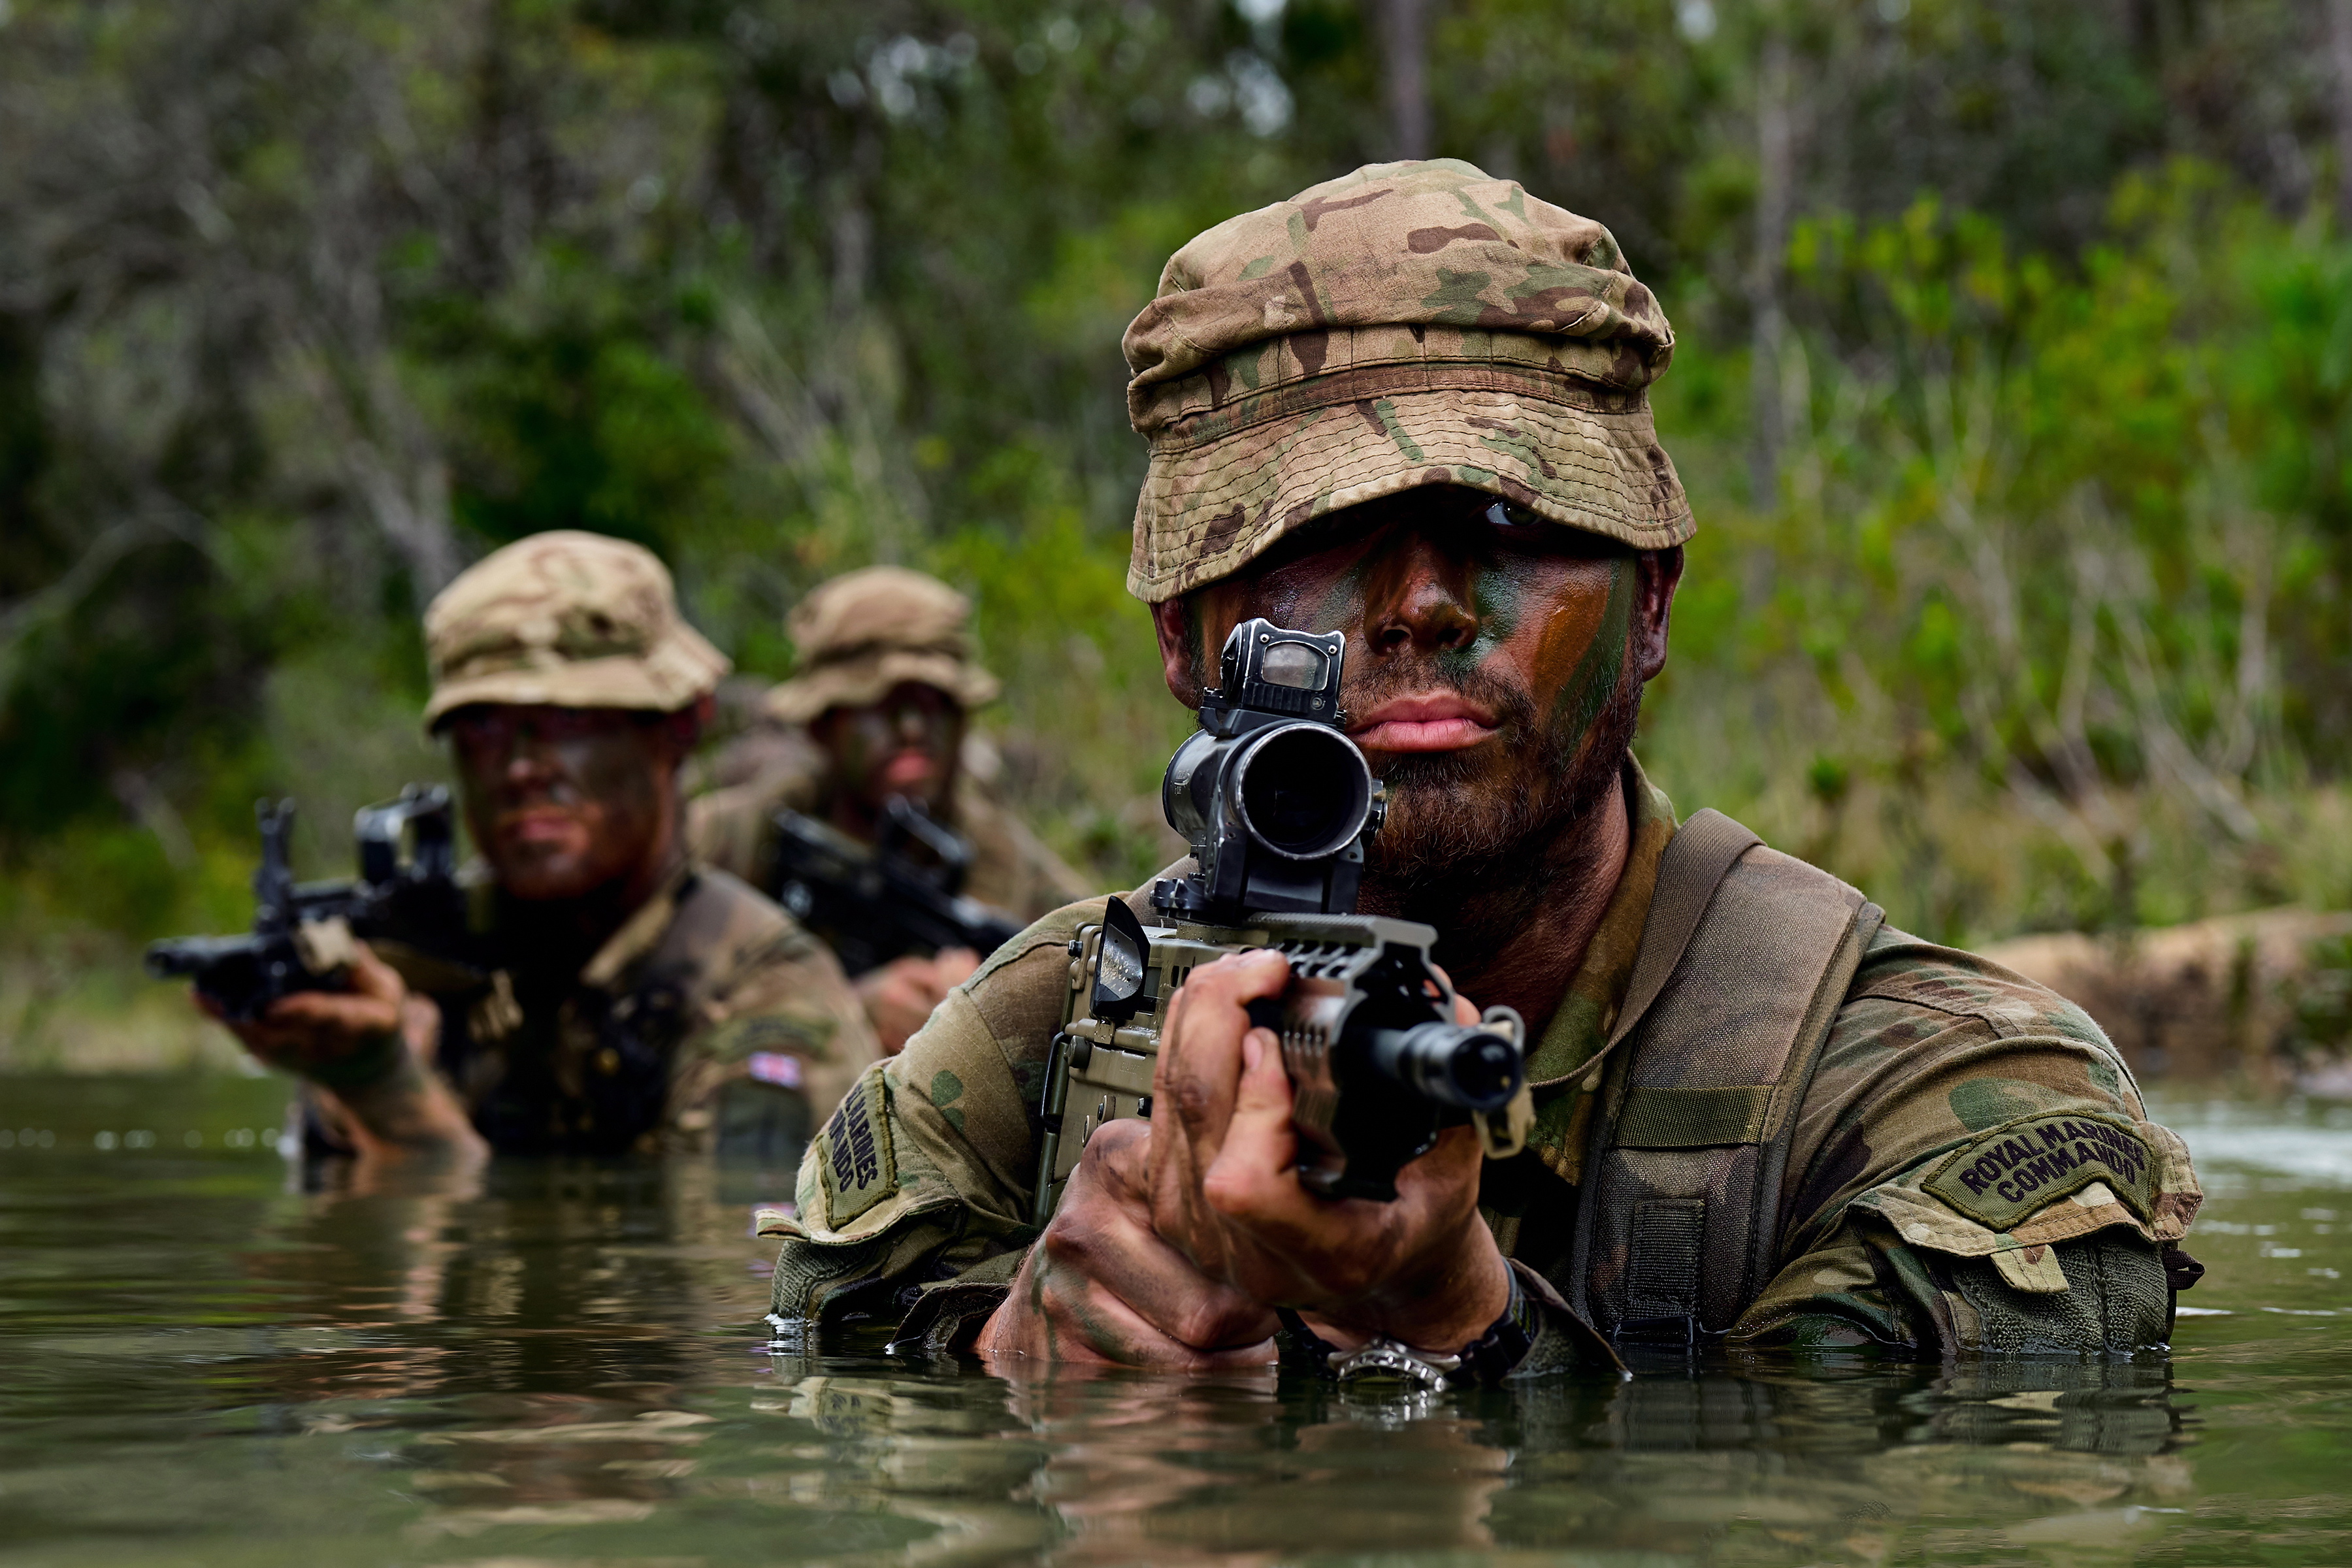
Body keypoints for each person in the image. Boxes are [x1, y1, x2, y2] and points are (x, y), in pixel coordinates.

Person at [759, 161, 2204, 1374]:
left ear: (1649, 604)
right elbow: (820, 1372)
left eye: (1514, 525)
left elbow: (1845, 1486)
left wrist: (1457, 1322)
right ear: (1183, 632)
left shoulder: (1938, 1093)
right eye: (1316, 540)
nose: (1426, 603)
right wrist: (1020, 1360)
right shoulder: (1039, 1041)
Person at [206, 530, 881, 1165]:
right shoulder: (426, 971)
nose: (521, 767)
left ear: (680, 726)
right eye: (483, 729)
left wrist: (390, 1095)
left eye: (569, 720)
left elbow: (743, 1270)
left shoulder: (772, 997)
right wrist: (341, 1082)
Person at [689, 566, 1088, 1054]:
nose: (913, 727)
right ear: (822, 722)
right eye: (881, 703)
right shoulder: (728, 841)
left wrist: (998, 1007)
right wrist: (844, 1011)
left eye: (935, 702)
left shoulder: (1015, 875)